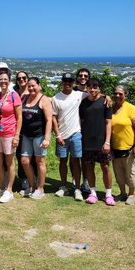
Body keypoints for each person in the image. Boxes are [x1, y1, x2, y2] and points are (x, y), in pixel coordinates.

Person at [51, 72, 89, 201]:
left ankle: (77, 188)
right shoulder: (56, 98)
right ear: (62, 82)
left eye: (70, 81)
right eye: (65, 81)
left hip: (76, 133)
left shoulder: (79, 95)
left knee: (75, 161)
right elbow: (54, 118)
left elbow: (95, 95)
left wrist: (107, 97)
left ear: (74, 83)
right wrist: (57, 135)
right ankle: (64, 186)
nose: (68, 83)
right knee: (62, 161)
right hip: (62, 135)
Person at [79, 78, 114, 205]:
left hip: (102, 141)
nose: (92, 89)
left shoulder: (105, 102)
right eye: (90, 87)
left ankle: (108, 195)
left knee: (105, 167)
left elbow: (108, 123)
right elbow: (82, 122)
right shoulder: (83, 103)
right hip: (87, 141)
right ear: (87, 88)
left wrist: (107, 142)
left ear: (100, 89)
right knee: (89, 167)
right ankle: (93, 193)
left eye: (95, 87)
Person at [0, 71, 22, 203]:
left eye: (5, 79)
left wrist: (17, 136)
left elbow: (19, 118)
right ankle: (1, 187)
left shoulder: (14, 96)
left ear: (9, 81)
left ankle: (9, 190)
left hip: (9, 133)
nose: (3, 81)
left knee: (9, 162)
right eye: (0, 79)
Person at [20, 77, 52, 199]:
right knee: (24, 161)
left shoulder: (44, 100)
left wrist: (47, 139)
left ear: (39, 85)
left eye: (34, 85)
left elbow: (49, 120)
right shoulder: (26, 98)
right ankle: (32, 186)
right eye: (29, 86)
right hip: (27, 135)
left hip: (40, 135)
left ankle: (40, 188)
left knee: (40, 162)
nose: (31, 88)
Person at [111, 85, 135, 205]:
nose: (117, 96)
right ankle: (122, 193)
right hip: (115, 148)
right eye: (115, 93)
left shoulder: (131, 108)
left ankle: (131, 194)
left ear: (126, 95)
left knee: (130, 172)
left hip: (130, 147)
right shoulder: (111, 108)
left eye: (120, 94)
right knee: (118, 172)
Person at [13, 71, 37, 190]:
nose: (21, 80)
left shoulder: (32, 91)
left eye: (24, 78)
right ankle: (24, 178)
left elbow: (45, 98)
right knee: (21, 155)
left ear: (27, 79)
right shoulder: (13, 92)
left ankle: (35, 177)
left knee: (34, 156)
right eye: (19, 78)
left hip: (33, 129)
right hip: (18, 130)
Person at [72, 68, 91, 193]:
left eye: (85, 75)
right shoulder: (71, 91)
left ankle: (85, 182)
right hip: (73, 128)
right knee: (73, 158)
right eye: (80, 75)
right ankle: (74, 181)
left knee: (85, 158)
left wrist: (108, 97)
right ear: (77, 78)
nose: (83, 77)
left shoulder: (91, 92)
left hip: (88, 129)